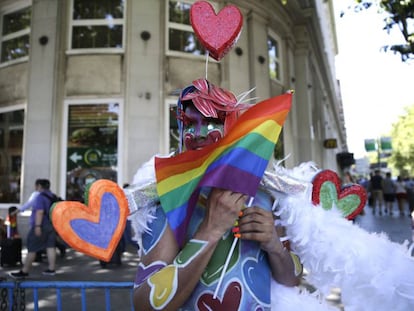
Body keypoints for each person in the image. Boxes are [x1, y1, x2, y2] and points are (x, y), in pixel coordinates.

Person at [130, 80, 301, 310]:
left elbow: (292, 279)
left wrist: (274, 246)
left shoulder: (264, 197)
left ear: (235, 128)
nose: (199, 134)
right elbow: (144, 303)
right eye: (190, 124)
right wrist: (210, 230)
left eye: (211, 123)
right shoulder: (171, 200)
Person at [9, 179, 58, 278]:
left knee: (32, 248)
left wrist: (37, 226)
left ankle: (24, 271)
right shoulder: (53, 196)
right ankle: (51, 269)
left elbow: (39, 212)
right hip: (51, 225)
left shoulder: (40, 197)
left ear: (39, 186)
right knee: (50, 247)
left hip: (41, 225)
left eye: (36, 185)